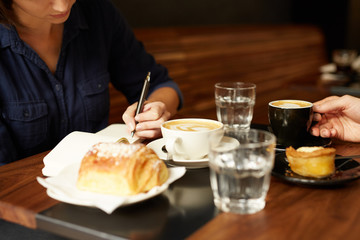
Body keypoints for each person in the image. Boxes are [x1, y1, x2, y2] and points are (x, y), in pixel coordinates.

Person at [0, 0, 183, 165]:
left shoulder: (98, 13)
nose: (63, 6)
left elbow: (162, 84)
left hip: (103, 180)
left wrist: (157, 109)